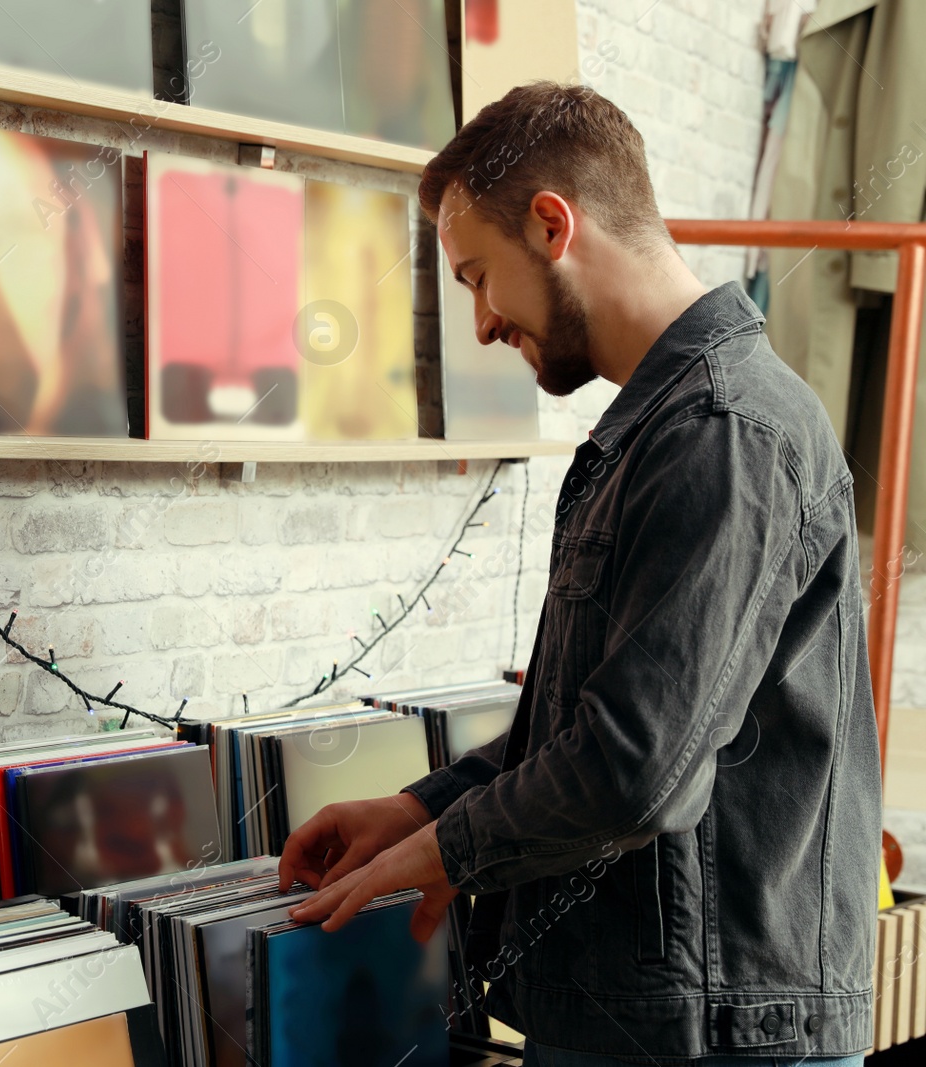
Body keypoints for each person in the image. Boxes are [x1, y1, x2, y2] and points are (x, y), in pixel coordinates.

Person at [279, 82, 881, 1067]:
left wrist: (445, 850)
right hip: (639, 1020)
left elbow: (633, 768)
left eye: (477, 276)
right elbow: (588, 723)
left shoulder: (723, 431)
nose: (478, 322)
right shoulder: (658, 429)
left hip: (714, 1037)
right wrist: (420, 808)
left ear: (552, 225)